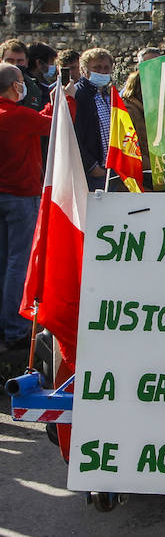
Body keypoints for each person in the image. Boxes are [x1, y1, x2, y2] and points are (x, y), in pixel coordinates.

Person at [0, 63, 68, 351]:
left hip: (7, 195)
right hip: (20, 195)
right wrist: (65, 100)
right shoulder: (13, 115)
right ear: (16, 86)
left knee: (5, 261)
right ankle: (15, 326)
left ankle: (7, 323)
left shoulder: (12, 114)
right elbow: (53, 124)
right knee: (18, 262)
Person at [72, 47, 115, 190]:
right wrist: (91, 166)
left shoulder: (109, 96)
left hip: (111, 169)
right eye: (97, 68)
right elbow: (74, 135)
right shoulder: (78, 95)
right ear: (84, 70)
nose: (102, 72)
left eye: (106, 68)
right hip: (92, 172)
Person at [1, 39, 43, 112]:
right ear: (1, 61)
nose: (15, 64)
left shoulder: (35, 87)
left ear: (26, 62)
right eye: (10, 61)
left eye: (20, 61)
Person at [25, 42, 57, 109]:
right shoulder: (31, 87)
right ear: (39, 63)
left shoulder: (43, 84)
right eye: (51, 61)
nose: (53, 66)